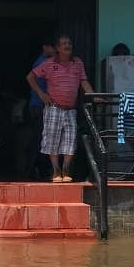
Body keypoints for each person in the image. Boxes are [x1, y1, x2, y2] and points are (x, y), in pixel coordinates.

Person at [26, 34, 94, 182]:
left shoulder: (78, 63)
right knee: (52, 140)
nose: (67, 45)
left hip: (70, 109)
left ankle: (66, 169)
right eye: (63, 43)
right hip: (54, 108)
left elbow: (84, 82)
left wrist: (94, 96)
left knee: (70, 140)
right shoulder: (49, 63)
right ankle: (56, 170)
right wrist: (41, 94)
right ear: (58, 48)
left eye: (69, 43)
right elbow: (30, 77)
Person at [26, 36, 56, 179]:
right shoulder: (44, 63)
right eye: (52, 47)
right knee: (40, 139)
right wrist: (42, 95)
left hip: (39, 105)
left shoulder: (43, 62)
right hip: (40, 106)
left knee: (39, 138)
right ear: (45, 47)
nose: (54, 50)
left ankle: (35, 169)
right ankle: (35, 170)